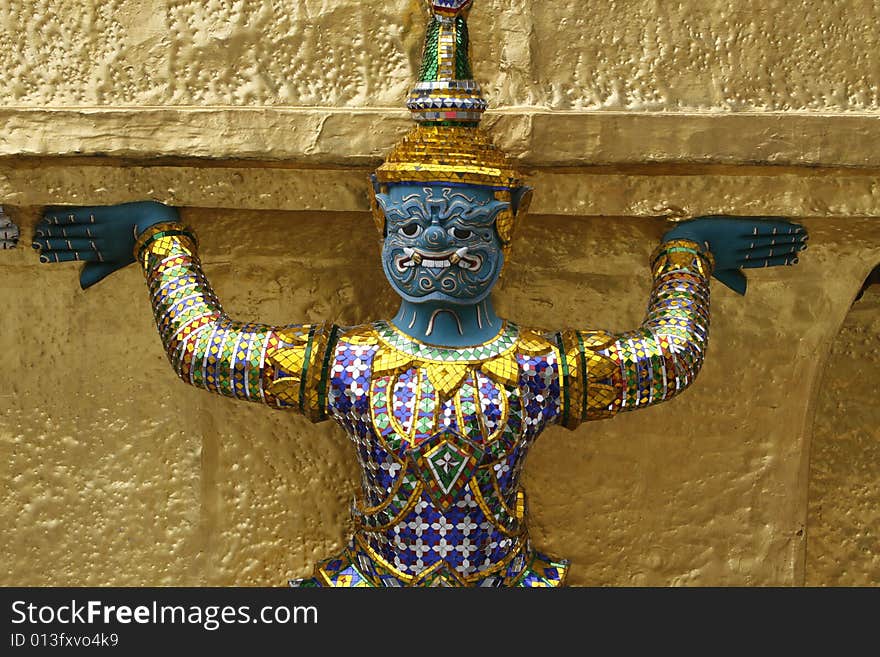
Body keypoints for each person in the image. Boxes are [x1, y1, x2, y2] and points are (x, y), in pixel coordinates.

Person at [32, 0, 807, 587]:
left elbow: (667, 359)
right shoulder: (353, 366)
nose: (435, 251)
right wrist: (158, 236)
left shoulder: (534, 368)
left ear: (508, 232)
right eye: (412, 235)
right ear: (380, 229)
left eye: (465, 236)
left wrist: (687, 254)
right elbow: (205, 351)